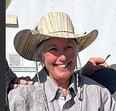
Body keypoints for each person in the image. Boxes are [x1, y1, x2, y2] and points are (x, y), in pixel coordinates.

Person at [8, 12, 116, 111]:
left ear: (76, 50)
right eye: (53, 49)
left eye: (68, 47)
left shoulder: (99, 94)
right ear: (40, 55)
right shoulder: (21, 98)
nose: (63, 57)